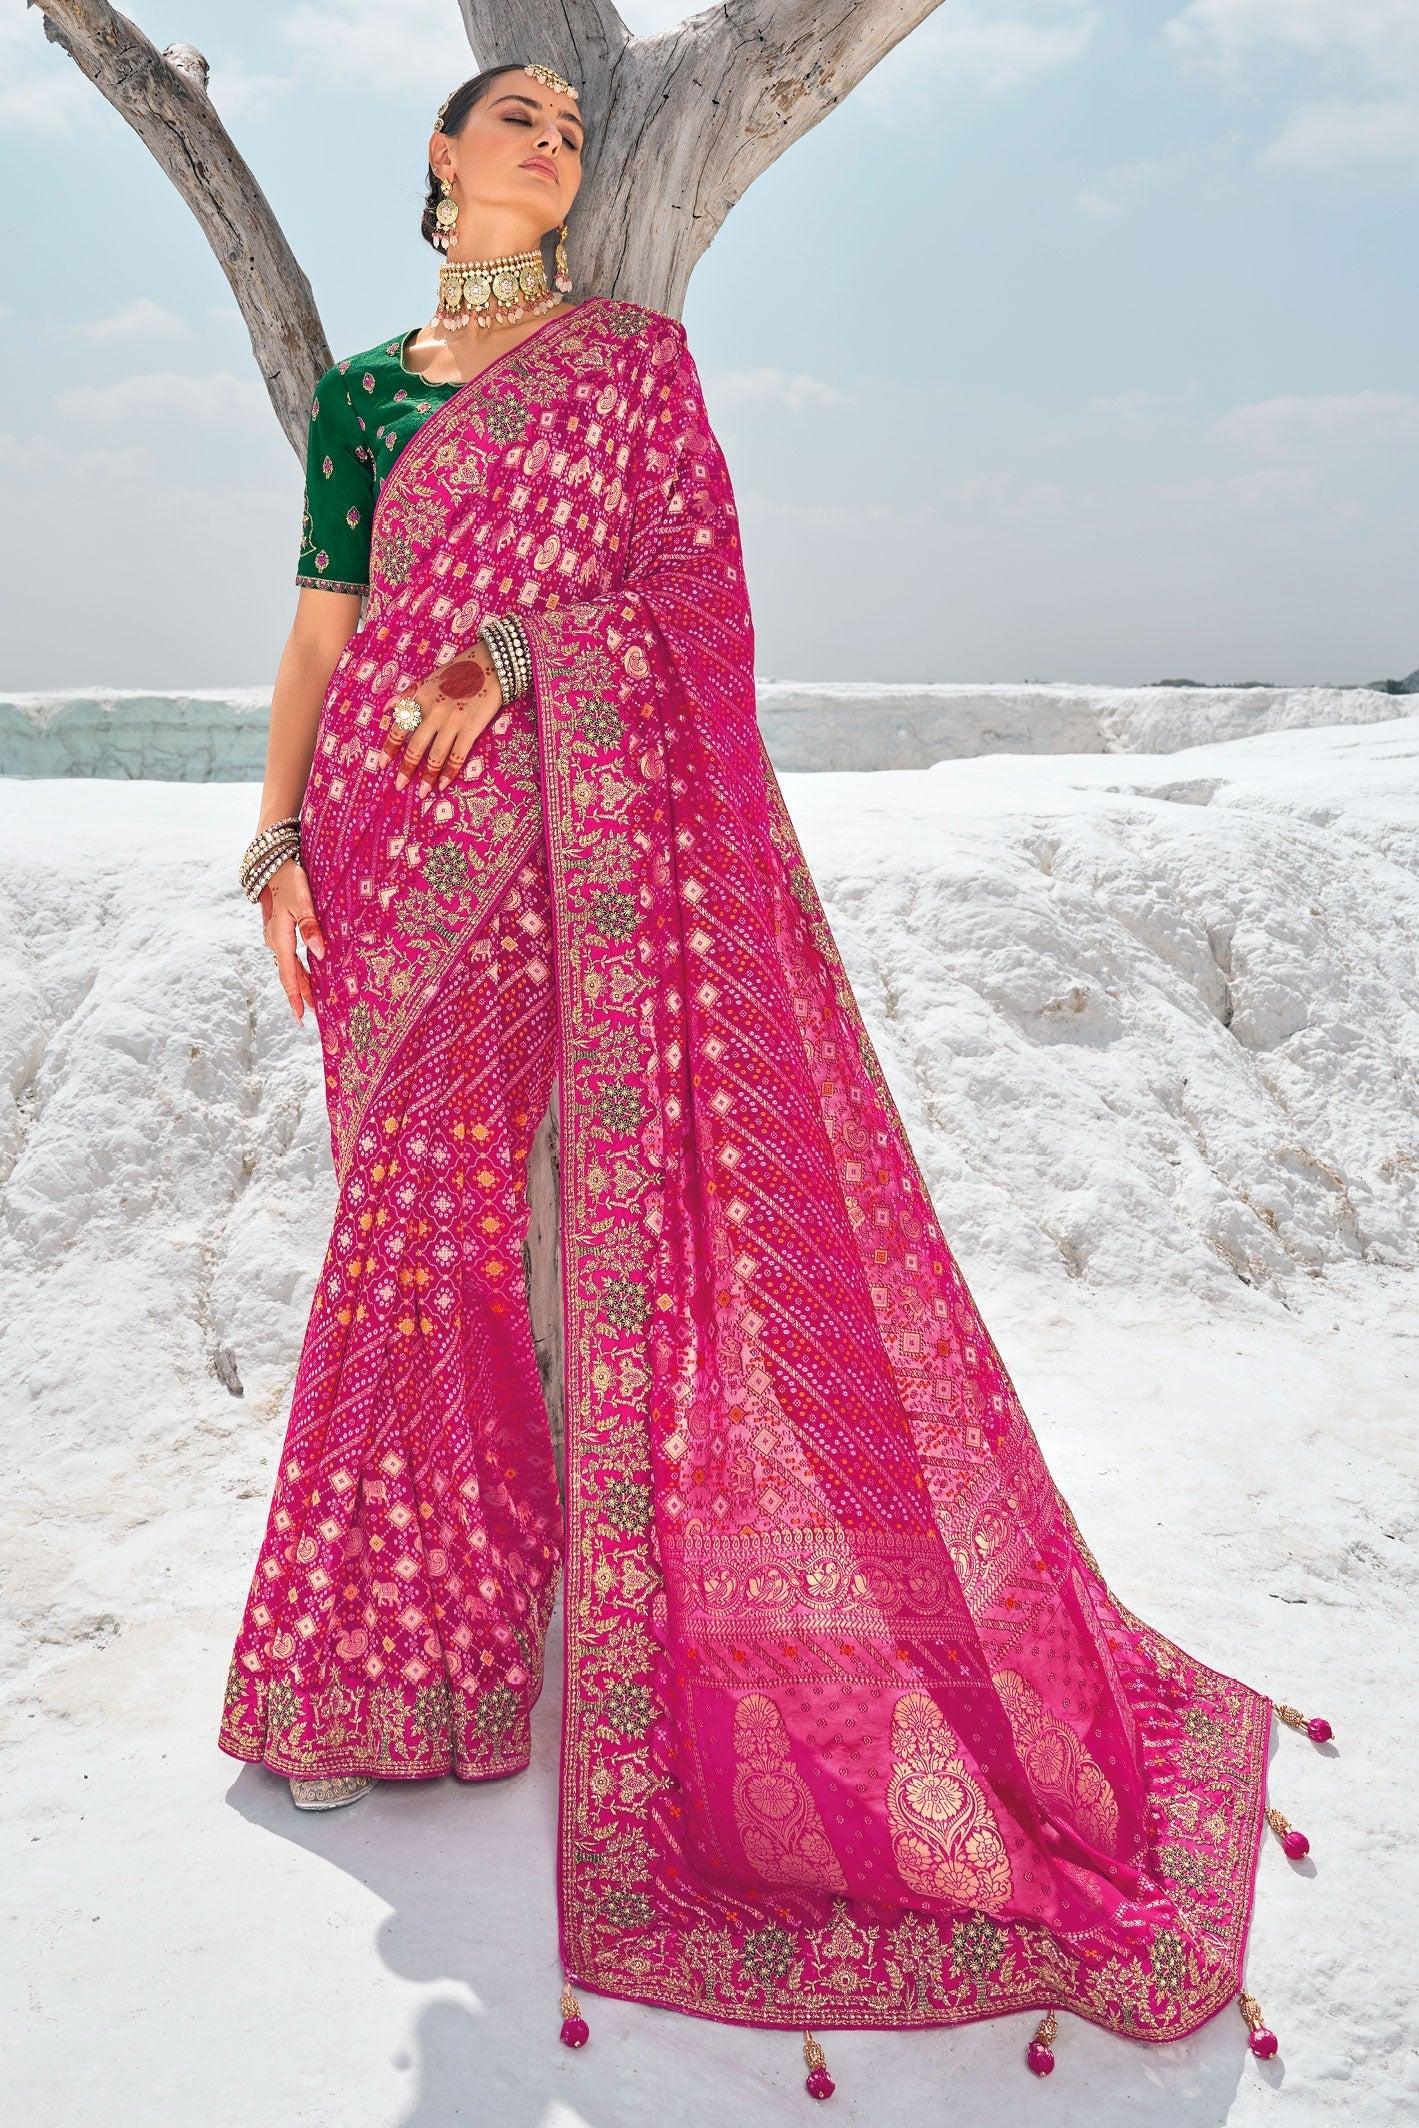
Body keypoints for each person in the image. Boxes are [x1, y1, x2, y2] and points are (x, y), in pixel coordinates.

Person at [219, 60, 1328, 2094]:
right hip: (379, 854)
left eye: (571, 126)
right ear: (442, 159)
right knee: (410, 1239)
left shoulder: (628, 370)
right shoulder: (369, 396)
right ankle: (401, 1658)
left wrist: (520, 654)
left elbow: (687, 609)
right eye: (517, 118)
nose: (552, 142)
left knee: (462, 1241)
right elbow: (319, 631)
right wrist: (277, 836)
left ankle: (439, 1645)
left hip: (550, 847)